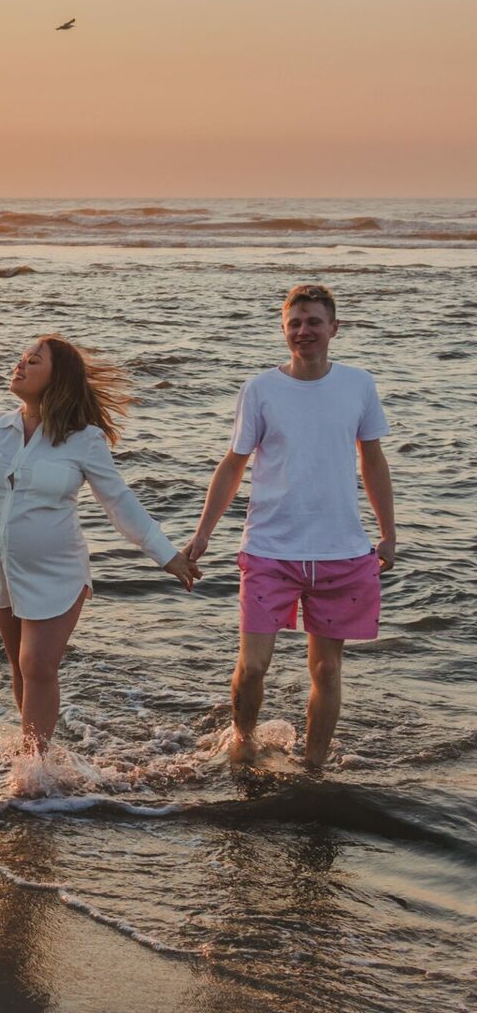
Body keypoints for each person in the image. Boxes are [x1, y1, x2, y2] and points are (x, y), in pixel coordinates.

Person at [0, 335, 200, 755]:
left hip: (57, 573)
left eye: (33, 361)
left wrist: (167, 556)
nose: (20, 365)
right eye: (21, 358)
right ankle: (34, 757)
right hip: (2, 573)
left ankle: (34, 768)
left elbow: (119, 502)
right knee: (22, 668)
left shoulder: (84, 439)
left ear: (58, 378)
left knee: (37, 665)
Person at [183, 283, 395, 770]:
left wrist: (388, 532)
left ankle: (314, 766)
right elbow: (233, 464)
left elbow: (373, 461)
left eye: (313, 322)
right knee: (254, 665)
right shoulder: (261, 389)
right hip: (270, 549)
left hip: (342, 552)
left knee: (327, 669)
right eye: (294, 323)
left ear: (333, 328)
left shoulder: (358, 384)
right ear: (283, 329)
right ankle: (242, 741)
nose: (303, 331)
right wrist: (204, 531)